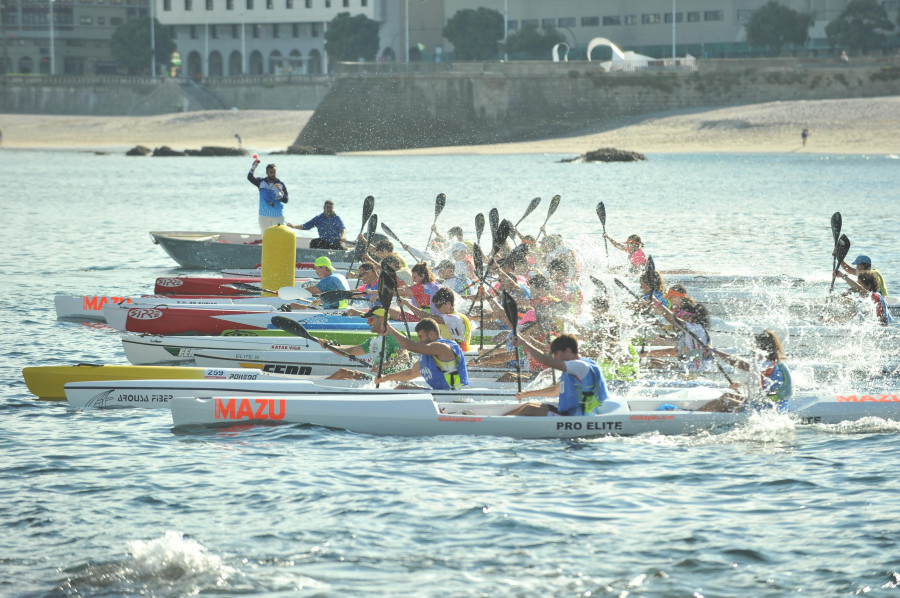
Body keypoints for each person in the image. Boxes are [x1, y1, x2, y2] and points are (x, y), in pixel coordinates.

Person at [504, 334, 609, 417]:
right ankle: (500, 420)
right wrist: (527, 394)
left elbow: (544, 359)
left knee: (529, 409)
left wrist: (523, 342)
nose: (555, 357)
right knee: (528, 405)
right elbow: (555, 390)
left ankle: (500, 424)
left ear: (567, 351)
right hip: (570, 413)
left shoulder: (580, 366)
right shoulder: (573, 368)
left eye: (556, 354)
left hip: (578, 417)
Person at [698, 330, 792, 412]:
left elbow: (735, 361)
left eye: (755, 349)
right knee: (727, 395)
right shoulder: (778, 364)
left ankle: (695, 415)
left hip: (766, 410)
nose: (753, 353)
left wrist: (714, 350)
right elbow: (762, 382)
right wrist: (740, 384)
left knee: (723, 402)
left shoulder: (765, 365)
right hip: (774, 406)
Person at [375, 318, 470, 390]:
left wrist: (391, 330)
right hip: (440, 394)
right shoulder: (427, 354)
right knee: (401, 387)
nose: (419, 341)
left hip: (456, 396)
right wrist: (385, 378)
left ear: (432, 334)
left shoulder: (443, 347)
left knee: (402, 388)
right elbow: (411, 373)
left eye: (421, 336)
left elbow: (410, 346)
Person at [316, 307, 409, 380]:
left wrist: (383, 366)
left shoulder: (394, 336)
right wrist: (328, 346)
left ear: (381, 319)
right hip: (381, 379)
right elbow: (350, 351)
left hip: (395, 379)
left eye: (370, 319)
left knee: (342, 373)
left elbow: (404, 357)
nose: (368, 323)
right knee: (342, 376)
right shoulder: (373, 340)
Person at [397, 287, 472, 350]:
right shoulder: (459, 316)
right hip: (453, 351)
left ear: (448, 304)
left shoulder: (453, 318)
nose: (437, 309)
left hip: (456, 354)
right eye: (436, 306)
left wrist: (407, 303)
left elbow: (424, 316)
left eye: (439, 306)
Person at [247, 159, 288, 233]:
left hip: (278, 216)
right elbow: (250, 177)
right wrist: (253, 168)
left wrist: (281, 192)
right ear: (267, 172)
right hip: (264, 216)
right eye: (271, 172)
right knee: (265, 238)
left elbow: (286, 200)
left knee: (278, 238)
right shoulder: (261, 182)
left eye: (274, 172)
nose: (273, 174)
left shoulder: (280, 184)